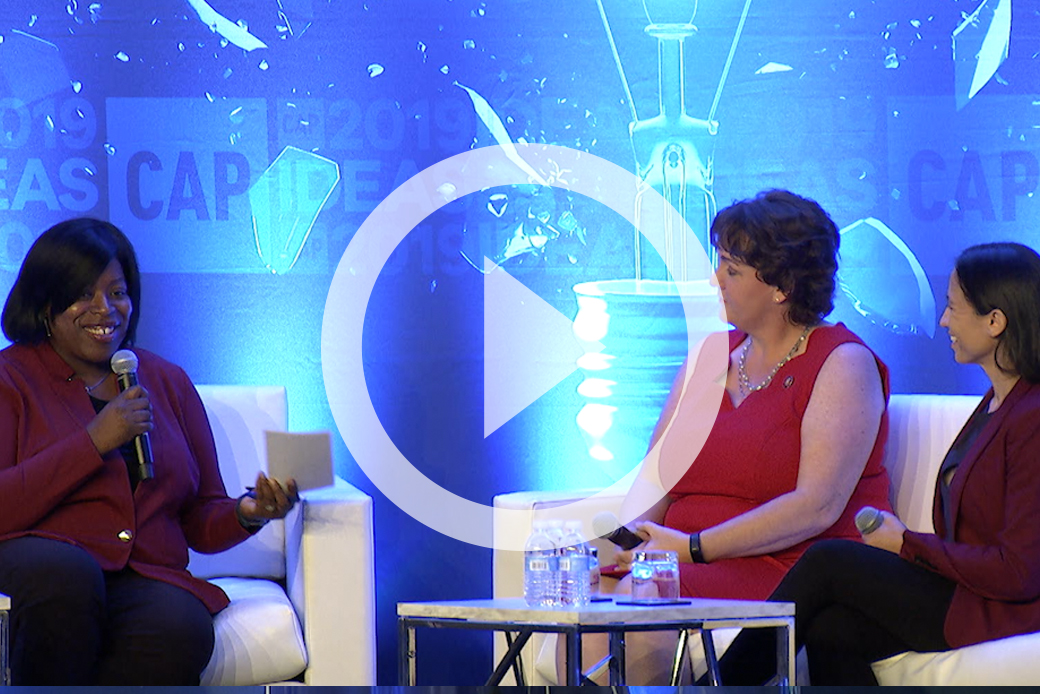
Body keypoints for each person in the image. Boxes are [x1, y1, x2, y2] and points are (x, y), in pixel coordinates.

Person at [569, 189, 892, 683]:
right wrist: (617, 544)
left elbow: (816, 506)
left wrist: (692, 547)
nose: (715, 280)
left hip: (784, 567)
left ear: (781, 286)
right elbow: (658, 483)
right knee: (589, 587)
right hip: (682, 554)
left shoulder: (842, 363)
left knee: (644, 589)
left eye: (732, 270)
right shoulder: (708, 358)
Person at [716, 241, 1040, 685]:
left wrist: (907, 544)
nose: (943, 320)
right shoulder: (995, 405)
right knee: (832, 629)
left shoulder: (1033, 417)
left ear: (995, 321)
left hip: (1003, 608)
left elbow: (1019, 571)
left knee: (829, 559)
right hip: (967, 593)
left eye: (953, 308)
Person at [0, 218, 299, 686]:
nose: (105, 309)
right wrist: (96, 440)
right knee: (67, 577)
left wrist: (248, 511)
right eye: (83, 294)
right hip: (48, 566)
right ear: (45, 304)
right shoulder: (10, 379)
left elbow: (200, 518)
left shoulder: (166, 381)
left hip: (142, 574)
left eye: (117, 293)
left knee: (177, 625)